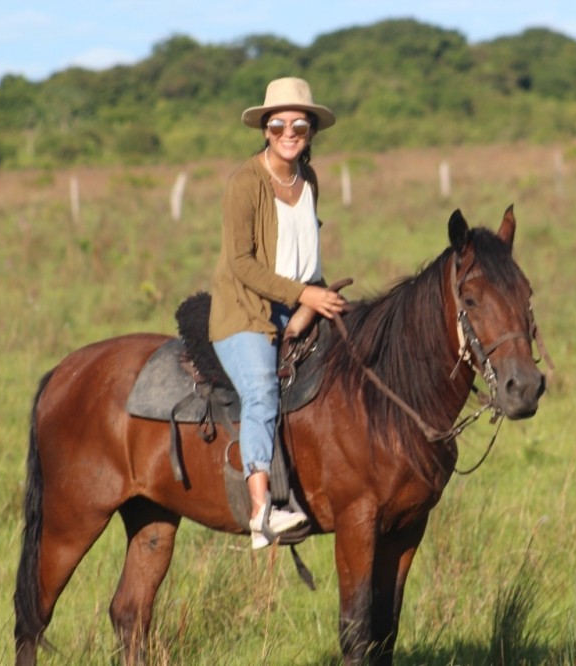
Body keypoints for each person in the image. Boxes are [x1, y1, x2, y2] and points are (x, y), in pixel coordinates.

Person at [210, 77, 346, 549]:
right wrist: (304, 296)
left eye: (299, 126)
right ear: (264, 130)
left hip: (302, 301)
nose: (289, 133)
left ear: (311, 133)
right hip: (246, 310)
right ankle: (261, 512)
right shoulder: (244, 183)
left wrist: (317, 299)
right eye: (278, 125)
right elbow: (242, 264)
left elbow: (307, 252)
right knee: (262, 391)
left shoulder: (309, 181)